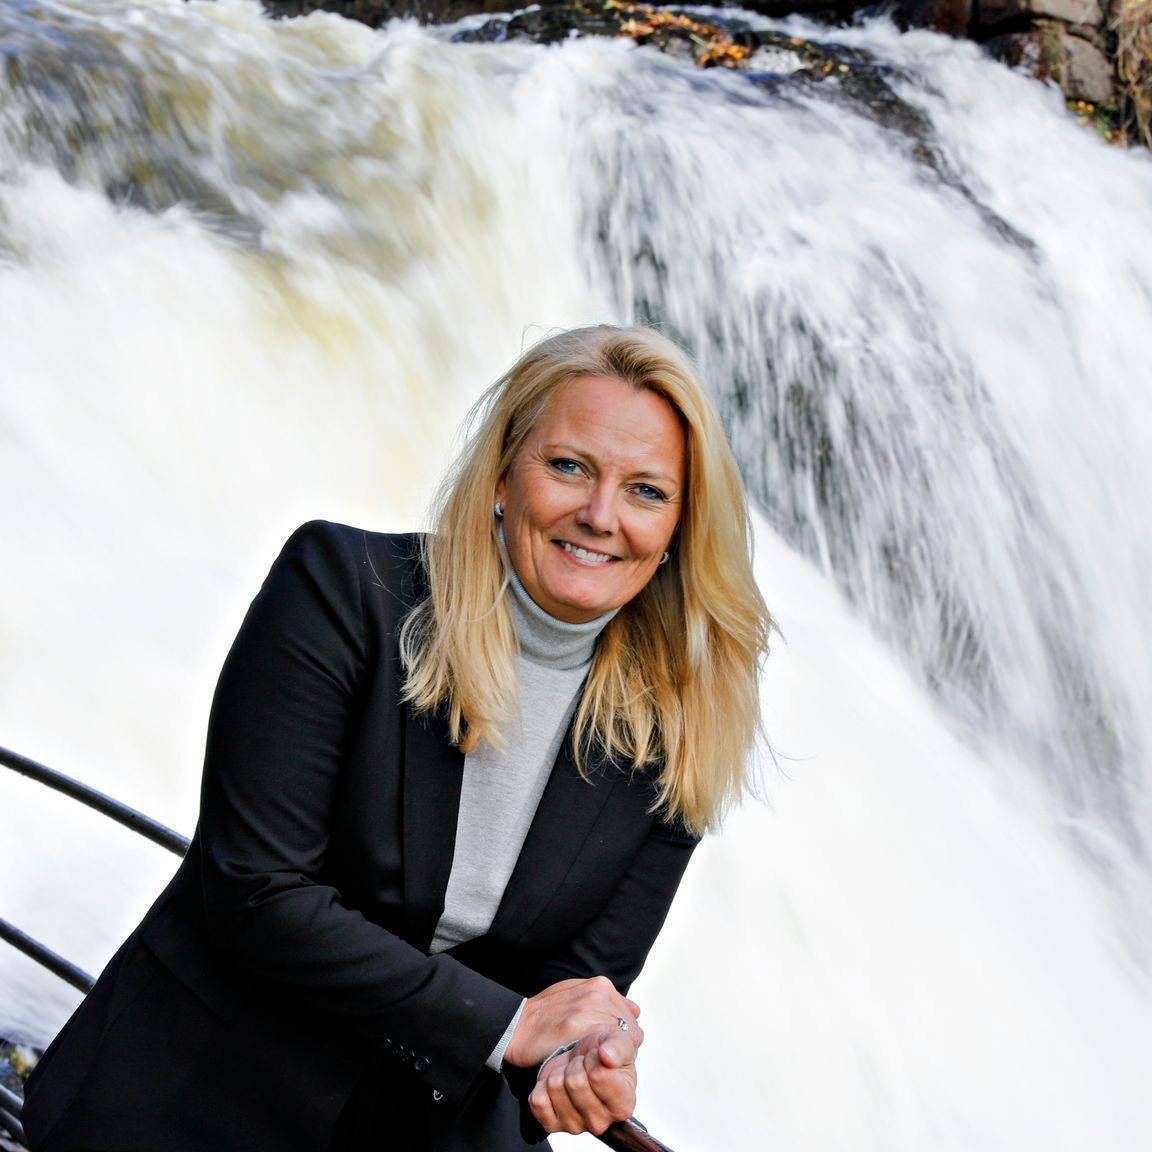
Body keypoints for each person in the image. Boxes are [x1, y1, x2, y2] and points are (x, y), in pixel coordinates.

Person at [21, 324, 772, 1151]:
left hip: (423, 1127)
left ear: (680, 529)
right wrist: (511, 1024)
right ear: (501, 475)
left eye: (646, 492)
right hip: (190, 1098)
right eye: (568, 467)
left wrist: (590, 1053)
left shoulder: (680, 723)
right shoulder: (343, 590)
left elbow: (570, 993)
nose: (600, 516)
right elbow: (256, 891)